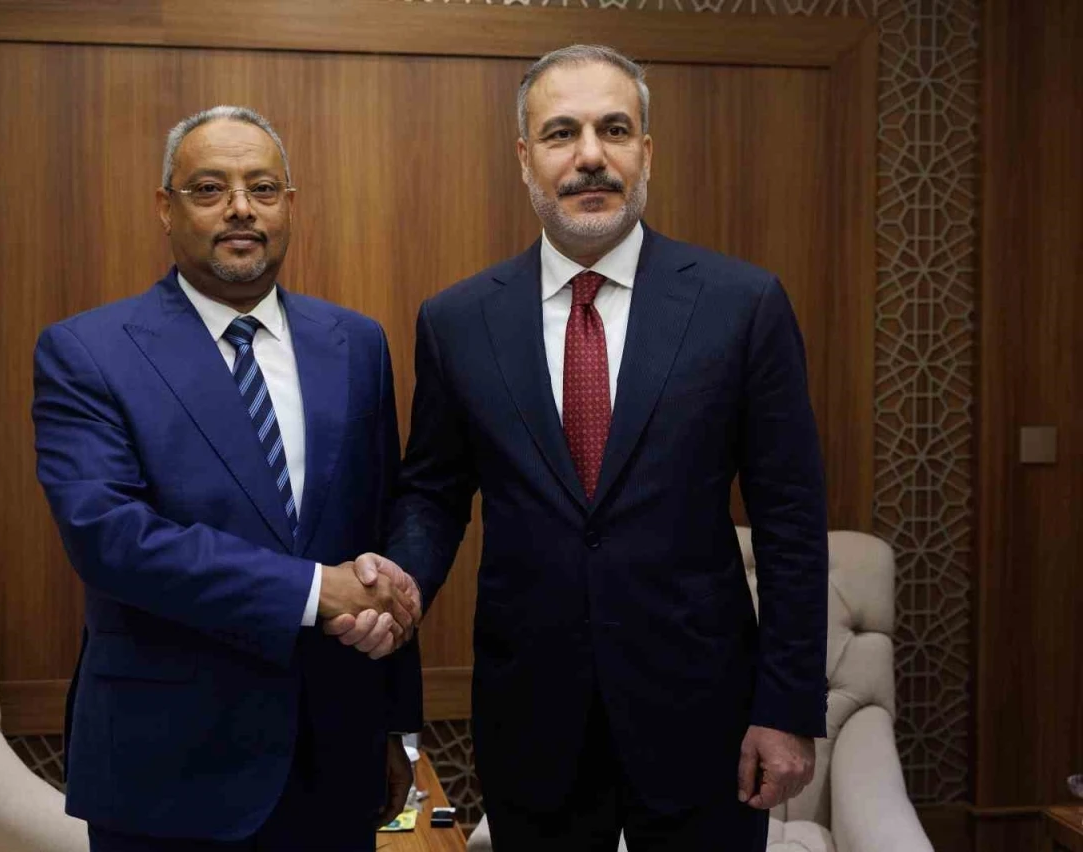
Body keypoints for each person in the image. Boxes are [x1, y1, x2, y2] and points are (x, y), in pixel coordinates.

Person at [328, 45, 828, 851]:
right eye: (561, 133)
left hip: (704, 715)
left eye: (614, 129)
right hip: (533, 716)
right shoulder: (458, 321)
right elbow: (434, 492)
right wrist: (404, 582)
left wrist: (788, 707)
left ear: (646, 152)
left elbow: (792, 523)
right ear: (525, 157)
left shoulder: (742, 305)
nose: (590, 155)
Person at [32, 105, 422, 852]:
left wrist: (396, 726)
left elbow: (380, 527)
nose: (241, 208)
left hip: (334, 757)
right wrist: (314, 590)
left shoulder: (356, 343)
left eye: (263, 188)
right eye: (210, 188)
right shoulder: (88, 352)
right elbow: (110, 538)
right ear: (165, 207)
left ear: (289, 205)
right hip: (168, 770)